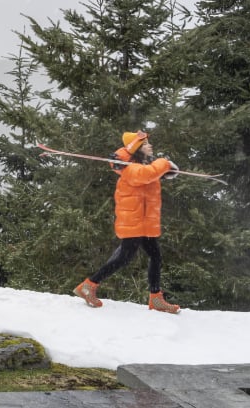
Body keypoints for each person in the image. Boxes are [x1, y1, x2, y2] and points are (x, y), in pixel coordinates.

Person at [72, 130, 182, 314]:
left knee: (155, 256)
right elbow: (146, 174)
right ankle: (89, 285)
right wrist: (165, 163)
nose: (150, 146)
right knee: (124, 257)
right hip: (133, 221)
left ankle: (156, 298)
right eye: (145, 144)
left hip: (144, 222)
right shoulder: (131, 169)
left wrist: (164, 172)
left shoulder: (141, 167)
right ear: (137, 148)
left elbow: (150, 176)